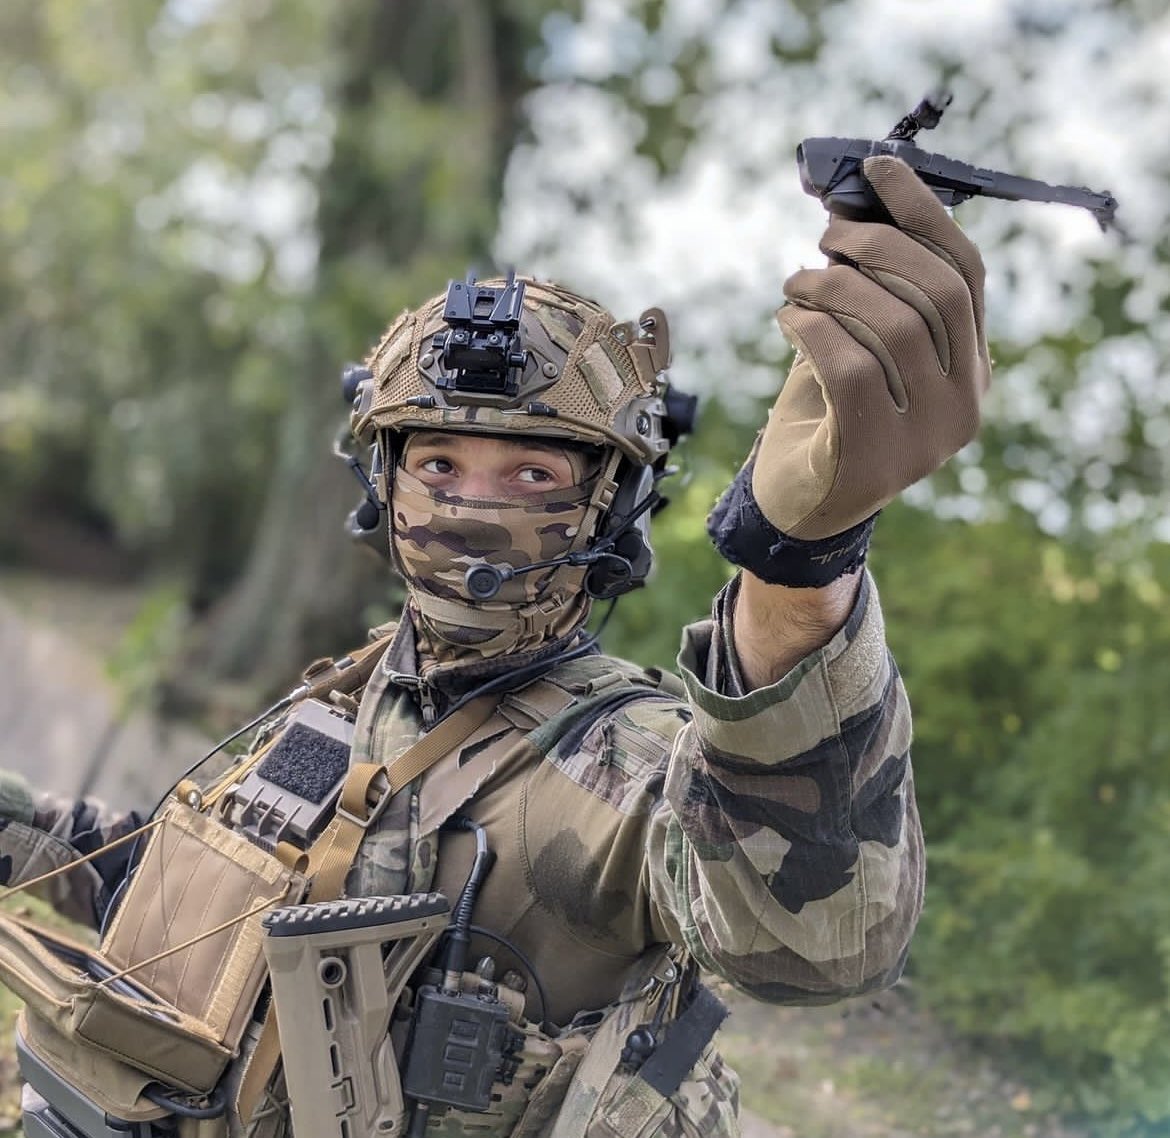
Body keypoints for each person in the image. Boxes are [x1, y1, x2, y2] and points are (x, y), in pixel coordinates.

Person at [0, 156, 988, 1138]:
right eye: (437, 461)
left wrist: (795, 565)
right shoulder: (346, 700)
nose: (471, 508)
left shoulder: (623, 762)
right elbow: (159, 892)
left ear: (614, 498)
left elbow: (819, 941)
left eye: (529, 474)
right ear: (381, 486)